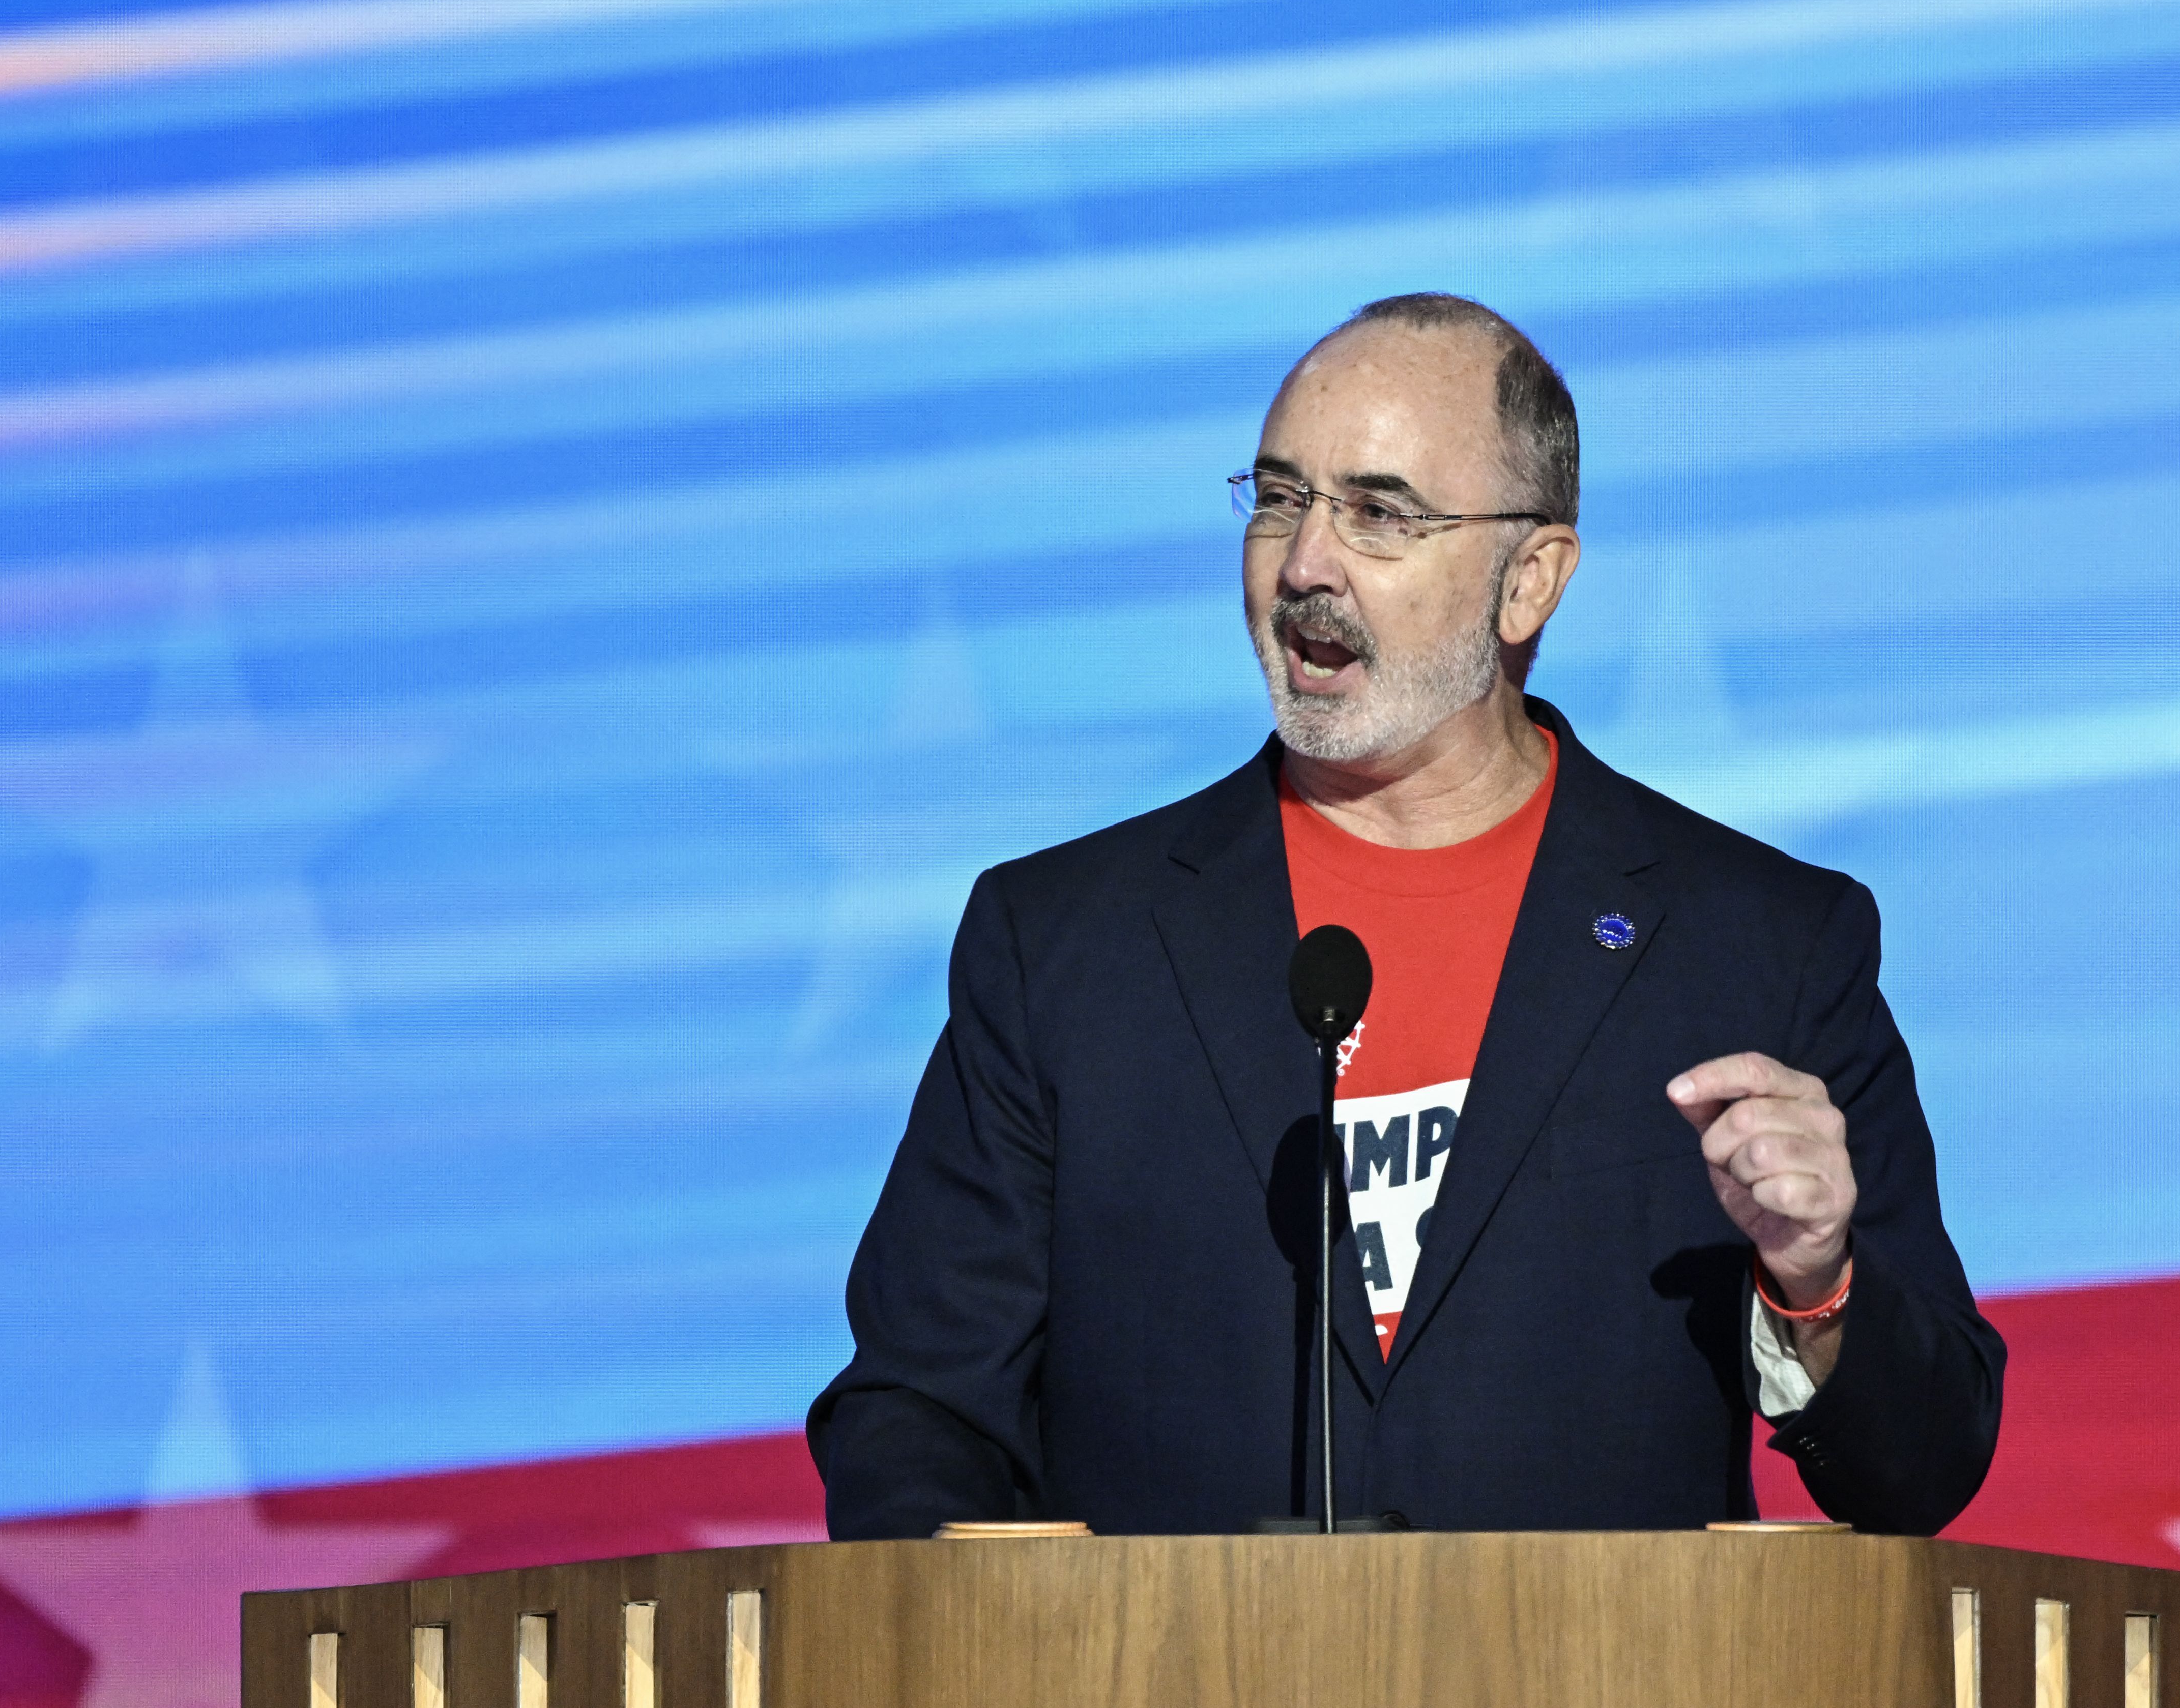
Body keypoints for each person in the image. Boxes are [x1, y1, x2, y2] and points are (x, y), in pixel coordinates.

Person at [808, 293, 2003, 1536]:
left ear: (1527, 580)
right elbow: (915, 1419)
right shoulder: (1061, 948)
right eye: (1279, 498)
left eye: (1378, 514)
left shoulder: (1755, 947)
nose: (1305, 565)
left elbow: (1921, 1469)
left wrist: (1813, 1284)